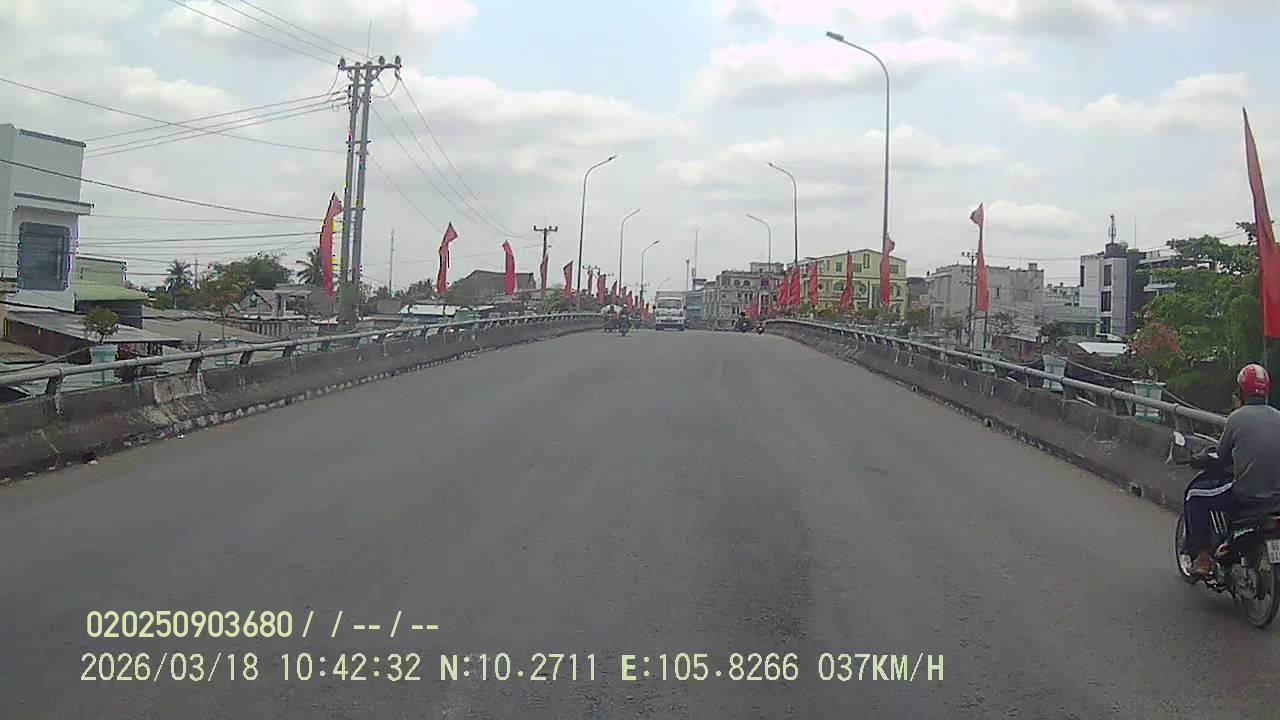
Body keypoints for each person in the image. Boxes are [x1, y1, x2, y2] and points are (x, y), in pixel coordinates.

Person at [1184, 363, 1280, 576]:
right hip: (1276, 497)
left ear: (1241, 392)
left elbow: (1222, 457)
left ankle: (1203, 559)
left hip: (1247, 495)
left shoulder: (1236, 418)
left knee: (1195, 496)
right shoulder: (1278, 416)